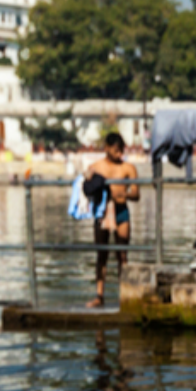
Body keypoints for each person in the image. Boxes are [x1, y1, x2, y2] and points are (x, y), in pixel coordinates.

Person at [85, 131, 139, 308]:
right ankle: (99, 296)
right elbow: (85, 187)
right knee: (102, 255)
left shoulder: (128, 168)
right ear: (107, 148)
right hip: (102, 212)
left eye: (121, 150)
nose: (119, 154)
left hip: (121, 211)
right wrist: (87, 178)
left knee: (122, 256)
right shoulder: (96, 167)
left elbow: (136, 193)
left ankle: (125, 295)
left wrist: (123, 194)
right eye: (116, 150)